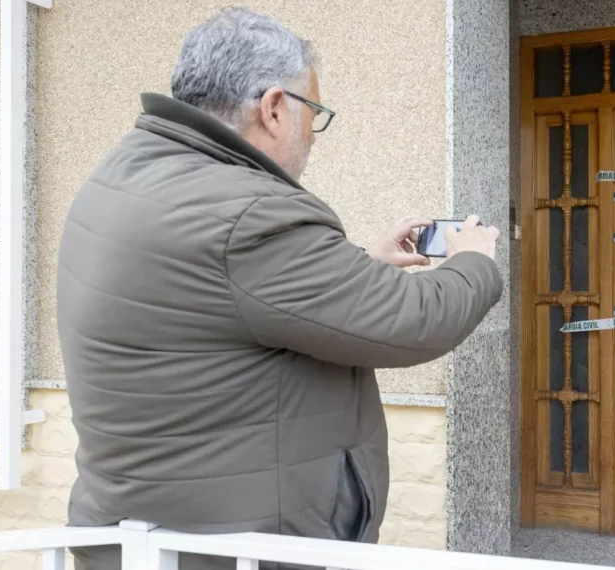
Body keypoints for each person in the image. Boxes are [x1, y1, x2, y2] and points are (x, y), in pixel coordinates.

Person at [56, 7, 502, 570]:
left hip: (145, 536)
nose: (313, 135)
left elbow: (219, 295)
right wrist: (474, 261)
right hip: (237, 549)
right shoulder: (251, 213)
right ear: (272, 108)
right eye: (312, 112)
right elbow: (417, 322)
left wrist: (359, 265)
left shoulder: (129, 173)